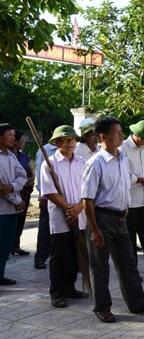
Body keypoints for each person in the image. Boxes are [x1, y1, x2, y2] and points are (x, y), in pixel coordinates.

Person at [81, 116, 144, 323]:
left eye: (121, 131)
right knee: (100, 266)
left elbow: (124, 183)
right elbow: (87, 198)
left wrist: (126, 206)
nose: (121, 135)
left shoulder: (122, 158)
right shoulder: (95, 163)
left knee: (128, 263)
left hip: (121, 218)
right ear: (103, 137)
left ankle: (137, 303)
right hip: (101, 219)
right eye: (116, 132)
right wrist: (94, 228)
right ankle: (102, 307)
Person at [40, 125, 89, 308]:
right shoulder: (50, 164)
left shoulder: (83, 162)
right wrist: (68, 208)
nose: (70, 142)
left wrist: (78, 208)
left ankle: (70, 288)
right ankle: (57, 292)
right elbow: (50, 192)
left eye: (72, 139)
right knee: (59, 256)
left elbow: (89, 189)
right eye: (65, 139)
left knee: (75, 255)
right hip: (61, 217)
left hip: (80, 214)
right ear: (57, 142)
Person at [119, 120, 144, 270]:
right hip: (130, 201)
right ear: (136, 135)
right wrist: (139, 179)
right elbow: (121, 174)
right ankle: (131, 269)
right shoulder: (123, 149)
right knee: (130, 238)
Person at [0, 123, 27, 285]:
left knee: (6, 245)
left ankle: (1, 275)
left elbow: (22, 176)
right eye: (9, 135)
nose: (13, 138)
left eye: (13, 135)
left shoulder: (11, 156)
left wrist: (13, 187)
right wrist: (18, 200)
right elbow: (2, 188)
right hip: (3, 209)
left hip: (11, 210)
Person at [34, 122, 62, 269]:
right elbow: (40, 174)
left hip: (64, 197)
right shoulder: (45, 151)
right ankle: (40, 258)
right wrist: (42, 196)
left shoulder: (70, 153)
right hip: (48, 196)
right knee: (45, 229)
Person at [11, 130, 34, 256]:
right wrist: (24, 181)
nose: (24, 142)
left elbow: (30, 170)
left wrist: (30, 179)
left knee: (21, 220)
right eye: (22, 140)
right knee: (11, 221)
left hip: (25, 193)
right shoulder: (8, 156)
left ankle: (15, 245)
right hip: (13, 193)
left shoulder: (23, 155)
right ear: (15, 142)